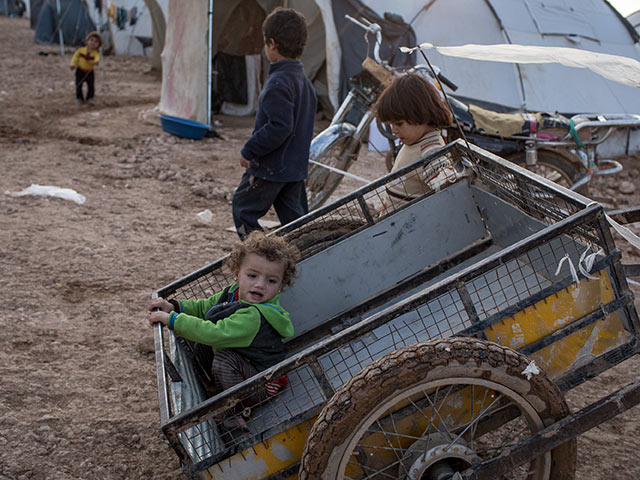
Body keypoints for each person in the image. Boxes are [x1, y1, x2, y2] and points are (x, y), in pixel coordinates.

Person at [147, 231, 299, 420]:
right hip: (245, 371)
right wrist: (174, 307)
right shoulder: (234, 292)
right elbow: (206, 307)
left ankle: (235, 413)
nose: (260, 285)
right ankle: (216, 389)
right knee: (205, 332)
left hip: (262, 383)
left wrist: (173, 320)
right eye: (252, 275)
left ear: (280, 286)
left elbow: (214, 333)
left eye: (271, 280)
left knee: (223, 358)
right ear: (237, 273)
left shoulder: (253, 316)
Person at [232, 7, 317, 239]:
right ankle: (306, 257)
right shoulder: (304, 82)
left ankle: (260, 255)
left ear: (271, 44)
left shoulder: (278, 82)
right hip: (295, 169)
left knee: (242, 210)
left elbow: (280, 126)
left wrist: (249, 150)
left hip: (271, 168)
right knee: (299, 225)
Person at [375, 73, 456, 212]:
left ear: (420, 114)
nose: (394, 130)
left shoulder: (430, 149)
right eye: (391, 124)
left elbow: (447, 184)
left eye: (399, 124)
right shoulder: (415, 141)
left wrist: (448, 178)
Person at [70, 31, 102, 105]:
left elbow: (97, 58)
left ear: (98, 45)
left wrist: (96, 62)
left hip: (89, 72)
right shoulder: (81, 50)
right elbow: (75, 57)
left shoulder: (95, 53)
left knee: (91, 86)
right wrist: (73, 64)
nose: (93, 42)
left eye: (96, 41)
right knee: (78, 85)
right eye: (91, 40)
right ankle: (79, 98)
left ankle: (90, 98)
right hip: (80, 70)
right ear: (87, 41)